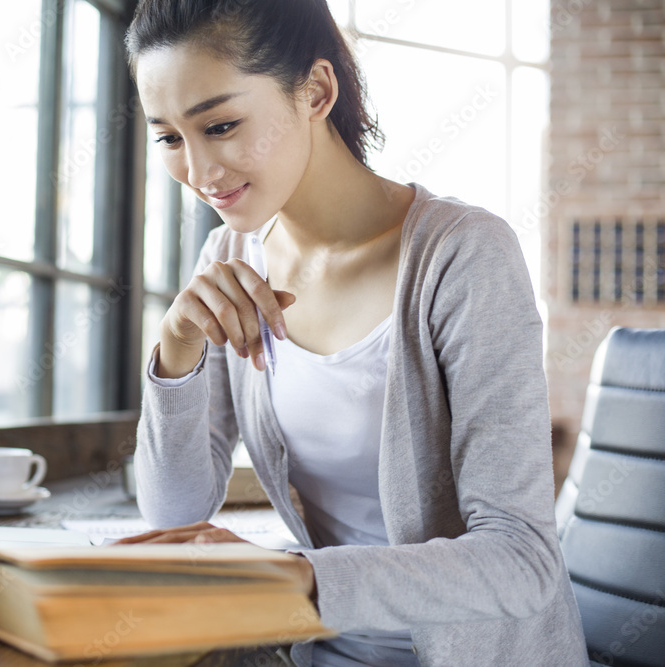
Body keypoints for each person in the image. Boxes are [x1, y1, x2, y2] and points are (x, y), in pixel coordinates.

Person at [118, 1, 590, 665]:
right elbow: (173, 515)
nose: (197, 172)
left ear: (316, 91)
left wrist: (297, 577)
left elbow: (522, 558)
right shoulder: (230, 259)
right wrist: (176, 351)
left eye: (221, 125)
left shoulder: (462, 257)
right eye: (169, 138)